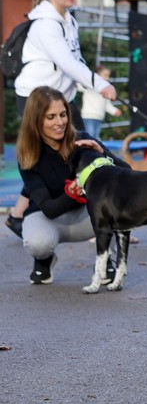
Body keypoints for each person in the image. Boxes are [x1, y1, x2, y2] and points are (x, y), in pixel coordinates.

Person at [6, 0, 118, 239]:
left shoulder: (67, 19)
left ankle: (17, 214)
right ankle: (33, 214)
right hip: (37, 100)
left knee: (81, 146)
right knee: (42, 156)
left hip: (63, 100)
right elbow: (66, 62)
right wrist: (100, 84)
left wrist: (91, 83)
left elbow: (76, 61)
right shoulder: (45, 24)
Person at [17, 86, 118, 284]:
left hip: (85, 215)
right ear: (36, 120)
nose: (60, 122)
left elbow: (127, 171)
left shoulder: (82, 139)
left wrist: (103, 153)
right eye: (51, 117)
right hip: (48, 216)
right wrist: (76, 190)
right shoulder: (27, 155)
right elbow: (49, 208)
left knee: (113, 207)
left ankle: (105, 258)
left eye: (63, 115)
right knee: (38, 243)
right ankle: (43, 260)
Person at [80, 65, 122, 139]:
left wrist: (114, 111)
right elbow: (78, 85)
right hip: (88, 116)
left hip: (99, 117)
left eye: (108, 76)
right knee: (90, 136)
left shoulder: (105, 90)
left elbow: (107, 105)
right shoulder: (89, 86)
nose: (107, 78)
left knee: (96, 137)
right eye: (105, 75)